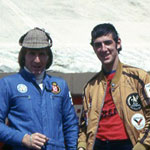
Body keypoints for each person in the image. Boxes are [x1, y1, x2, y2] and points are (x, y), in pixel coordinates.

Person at [0, 27, 78, 150]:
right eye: (32, 53)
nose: (37, 60)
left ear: (48, 57)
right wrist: (23, 138)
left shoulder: (60, 85)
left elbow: (70, 124)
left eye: (42, 54)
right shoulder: (7, 84)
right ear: (23, 56)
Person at [78, 23, 150, 150]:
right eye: (98, 45)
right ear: (94, 48)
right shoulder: (90, 87)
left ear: (118, 43)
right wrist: (82, 146)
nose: (103, 48)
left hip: (130, 144)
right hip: (98, 145)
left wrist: (142, 145)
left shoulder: (139, 77)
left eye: (107, 42)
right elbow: (84, 126)